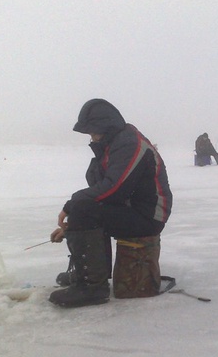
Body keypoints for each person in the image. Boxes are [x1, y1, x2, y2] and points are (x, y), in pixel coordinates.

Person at [49, 99, 172, 308]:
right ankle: (86, 274)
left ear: (107, 126)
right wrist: (75, 225)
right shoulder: (111, 146)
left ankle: (92, 287)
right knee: (85, 209)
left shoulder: (130, 143)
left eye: (93, 131)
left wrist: (72, 206)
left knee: (83, 206)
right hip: (130, 209)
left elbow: (114, 188)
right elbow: (101, 192)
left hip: (149, 216)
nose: (92, 137)